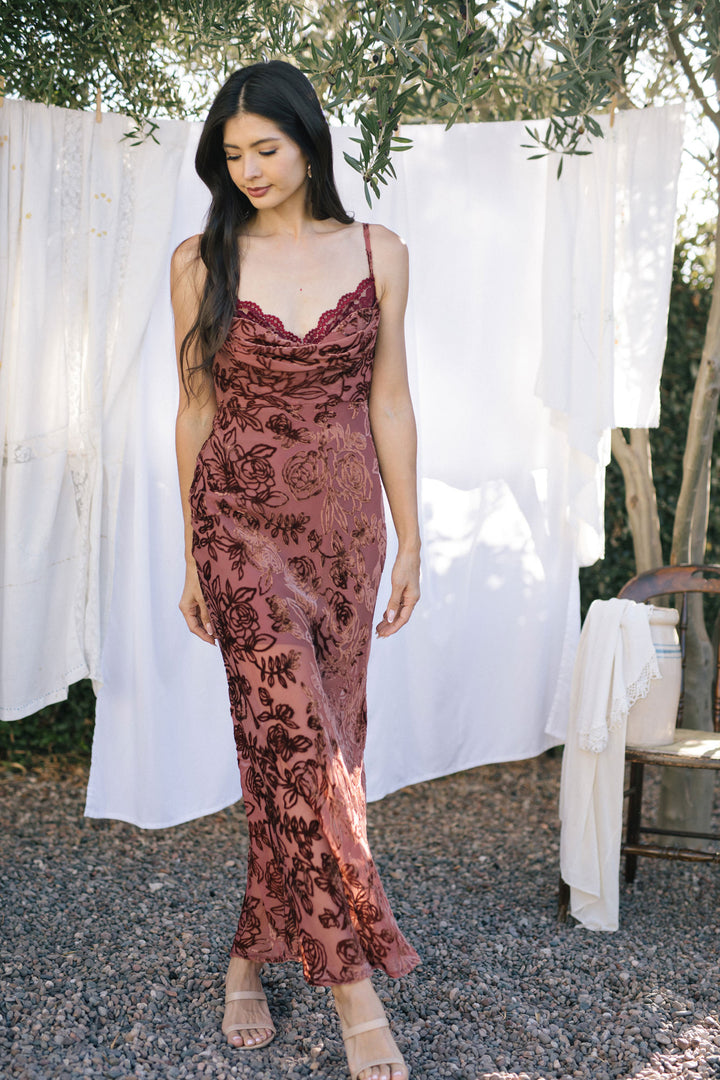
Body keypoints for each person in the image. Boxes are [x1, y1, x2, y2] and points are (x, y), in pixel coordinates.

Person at [171, 60, 421, 1080]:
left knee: (320, 756)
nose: (249, 171)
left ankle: (246, 955)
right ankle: (356, 997)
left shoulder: (381, 251)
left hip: (346, 538)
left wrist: (415, 537)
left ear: (308, 143)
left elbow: (390, 400)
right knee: (291, 742)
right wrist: (192, 552)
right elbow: (192, 409)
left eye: (264, 149)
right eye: (231, 156)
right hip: (239, 530)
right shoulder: (199, 258)